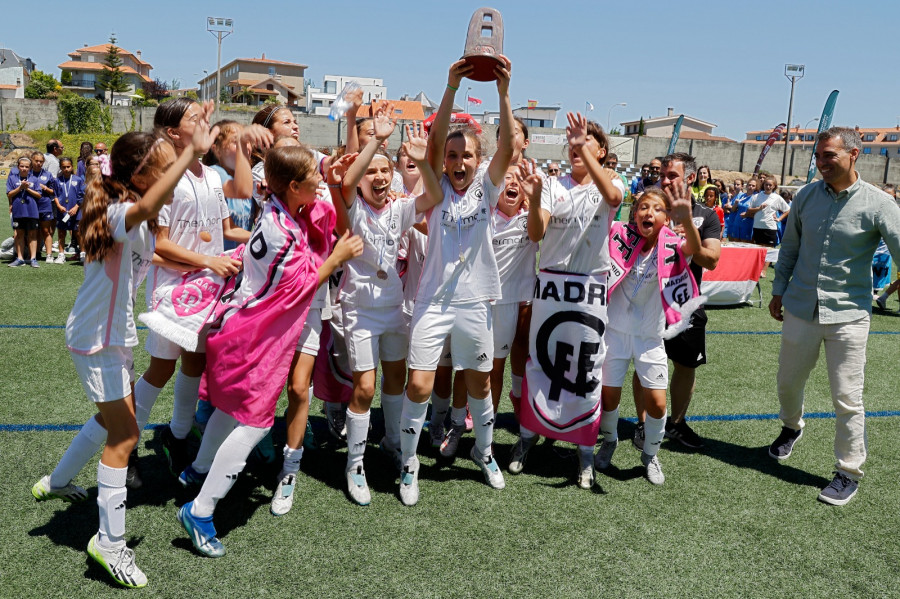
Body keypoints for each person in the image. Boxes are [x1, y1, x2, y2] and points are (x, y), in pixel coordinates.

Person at [31, 128, 216, 588]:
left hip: (111, 337)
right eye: (165, 162)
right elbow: (150, 207)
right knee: (125, 434)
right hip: (97, 340)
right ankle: (109, 544)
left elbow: (154, 245)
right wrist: (191, 152)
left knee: (113, 421)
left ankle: (56, 482)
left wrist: (205, 258)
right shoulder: (121, 212)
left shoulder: (128, 213)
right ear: (141, 174)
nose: (173, 168)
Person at [176, 146, 362, 556]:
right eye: (313, 175)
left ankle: (198, 469)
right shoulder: (282, 228)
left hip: (240, 329)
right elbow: (301, 286)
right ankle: (201, 510)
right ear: (294, 186)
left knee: (230, 409)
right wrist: (337, 257)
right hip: (254, 339)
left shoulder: (277, 209)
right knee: (256, 423)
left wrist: (331, 172)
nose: (318, 180)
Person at [397, 56, 515, 506]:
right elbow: (428, 148)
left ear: (479, 160)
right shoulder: (434, 189)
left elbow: (507, 147)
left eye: (467, 154)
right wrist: (450, 87)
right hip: (432, 302)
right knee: (421, 386)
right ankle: (409, 464)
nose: (459, 161)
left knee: (480, 384)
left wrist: (504, 93)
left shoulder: (487, 186)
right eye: (452, 155)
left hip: (475, 302)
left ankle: (484, 453)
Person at [768, 127, 900, 506]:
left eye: (830, 155)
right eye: (819, 156)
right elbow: (789, 247)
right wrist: (778, 290)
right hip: (800, 307)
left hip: (849, 316)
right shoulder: (806, 195)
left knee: (847, 397)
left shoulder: (879, 204)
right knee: (787, 383)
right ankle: (791, 427)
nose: (821, 162)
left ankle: (848, 471)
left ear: (854, 154)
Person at [134, 99, 259, 484]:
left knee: (195, 363)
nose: (205, 122)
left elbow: (227, 229)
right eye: (195, 118)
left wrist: (264, 237)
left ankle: (178, 434)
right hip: (172, 291)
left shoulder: (208, 176)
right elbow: (158, 246)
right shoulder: (164, 178)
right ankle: (127, 445)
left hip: (207, 289)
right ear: (173, 133)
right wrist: (208, 262)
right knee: (161, 368)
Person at [329, 114, 442, 505]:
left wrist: (424, 161)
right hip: (359, 310)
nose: (378, 177)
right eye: (371, 171)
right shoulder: (351, 207)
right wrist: (375, 141)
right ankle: (355, 463)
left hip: (393, 307)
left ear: (392, 176)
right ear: (361, 178)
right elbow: (343, 183)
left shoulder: (399, 207)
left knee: (397, 377)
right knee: (365, 385)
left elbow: (434, 198)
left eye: (384, 171)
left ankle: (393, 444)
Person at [513, 112, 624, 489]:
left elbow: (611, 197)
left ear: (601, 150)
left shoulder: (611, 180)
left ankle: (585, 452)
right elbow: (536, 233)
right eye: (572, 141)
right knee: (540, 362)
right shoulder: (551, 183)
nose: (576, 145)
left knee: (586, 368)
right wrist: (532, 201)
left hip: (590, 287)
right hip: (552, 286)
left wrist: (584, 151)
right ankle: (527, 437)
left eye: (586, 140)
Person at [596, 186, 702, 485]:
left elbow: (693, 248)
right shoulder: (619, 236)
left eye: (657, 209)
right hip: (614, 333)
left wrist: (688, 219)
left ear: (667, 218)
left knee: (657, 403)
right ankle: (609, 441)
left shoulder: (674, 244)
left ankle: (650, 454)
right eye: (643, 207)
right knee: (609, 398)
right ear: (634, 212)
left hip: (650, 338)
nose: (649, 213)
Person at [632, 153, 720, 450]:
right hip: (648, 300)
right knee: (643, 363)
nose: (664, 180)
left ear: (690, 178)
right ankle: (643, 424)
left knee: (686, 365)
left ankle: (677, 425)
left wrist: (689, 237)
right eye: (663, 174)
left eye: (672, 175)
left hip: (686, 303)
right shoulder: (649, 208)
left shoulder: (705, 215)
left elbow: (712, 261)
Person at [6, 156, 40, 267]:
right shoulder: (12, 178)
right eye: (22, 166)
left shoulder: (34, 179)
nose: (24, 168)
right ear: (18, 167)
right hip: (18, 211)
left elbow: (39, 195)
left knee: (32, 234)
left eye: (26, 166)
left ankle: (33, 258)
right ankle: (20, 258)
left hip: (31, 211)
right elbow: (9, 194)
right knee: (19, 234)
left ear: (30, 167)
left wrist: (27, 188)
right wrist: (20, 188)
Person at [52, 157, 85, 263]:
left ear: (72, 167)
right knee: (61, 233)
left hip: (76, 210)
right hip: (63, 211)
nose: (66, 169)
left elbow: (82, 195)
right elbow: (55, 195)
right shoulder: (57, 180)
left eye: (68, 167)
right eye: (63, 167)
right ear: (60, 168)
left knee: (78, 232)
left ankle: (83, 254)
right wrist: (58, 205)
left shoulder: (78, 180)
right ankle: (61, 255)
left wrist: (76, 207)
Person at [29, 152, 57, 262]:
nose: (39, 163)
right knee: (33, 231)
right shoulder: (28, 174)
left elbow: (54, 191)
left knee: (46, 230)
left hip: (45, 205)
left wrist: (44, 188)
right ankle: (35, 253)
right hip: (30, 206)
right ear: (32, 160)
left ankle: (49, 255)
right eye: (37, 161)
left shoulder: (48, 174)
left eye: (41, 161)